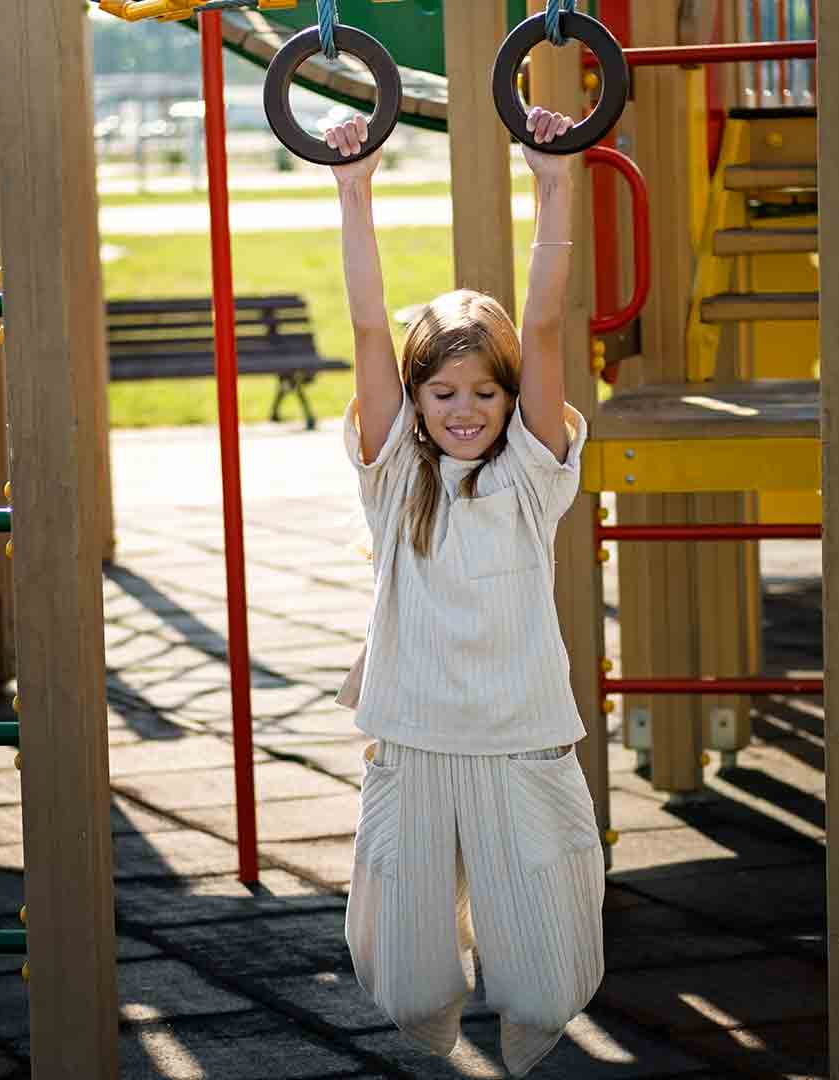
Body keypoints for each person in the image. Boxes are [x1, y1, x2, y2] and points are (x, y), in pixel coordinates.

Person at [325, 107, 604, 1077]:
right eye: (442, 393)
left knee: (541, 983)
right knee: (405, 986)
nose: (466, 410)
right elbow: (368, 324)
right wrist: (352, 189)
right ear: (413, 402)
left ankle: (530, 1024)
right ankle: (434, 1024)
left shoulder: (531, 476)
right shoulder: (394, 476)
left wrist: (556, 185)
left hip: (520, 736)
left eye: (485, 391)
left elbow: (543, 323)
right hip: (414, 737)